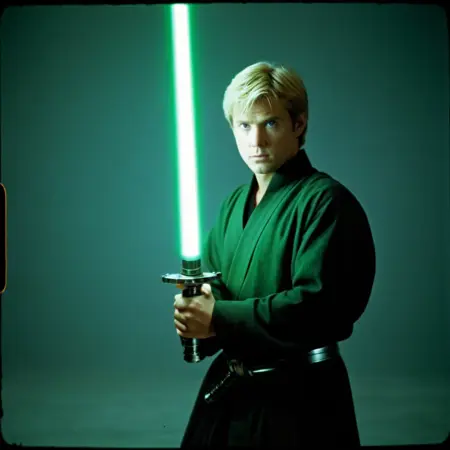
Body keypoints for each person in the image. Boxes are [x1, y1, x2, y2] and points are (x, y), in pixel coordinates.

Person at [173, 61, 376, 448]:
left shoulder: (326, 201)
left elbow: (319, 306)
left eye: (270, 123)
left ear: (298, 124)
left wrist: (218, 317)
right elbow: (217, 292)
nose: (256, 141)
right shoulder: (234, 205)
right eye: (244, 126)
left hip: (301, 398)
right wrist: (195, 314)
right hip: (231, 392)